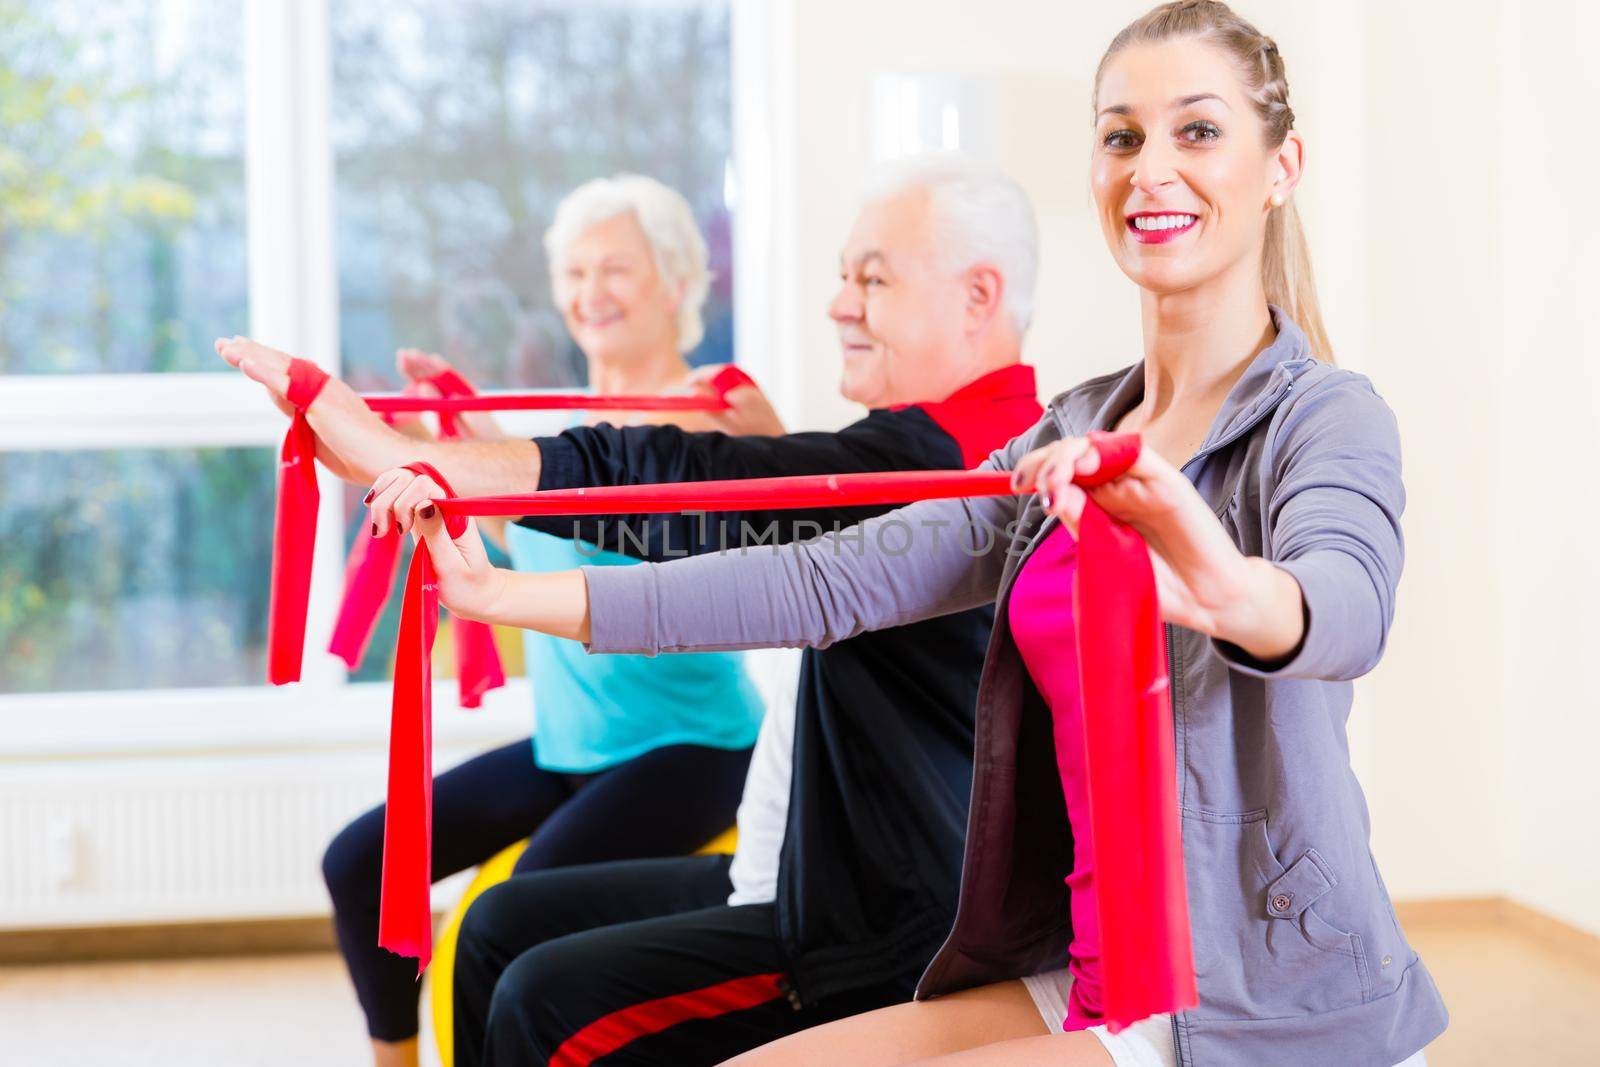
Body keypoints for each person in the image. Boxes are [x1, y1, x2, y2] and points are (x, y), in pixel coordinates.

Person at [367, 3, 1451, 1064]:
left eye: (1198, 130)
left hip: (1260, 995)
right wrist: (501, 596)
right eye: (1121, 135)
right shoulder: (1068, 433)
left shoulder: (1324, 413)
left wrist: (1227, 587)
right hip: (1090, 964)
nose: (1150, 167)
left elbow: (1344, 604)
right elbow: (826, 580)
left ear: (1280, 166)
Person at [221, 153, 1045, 1066]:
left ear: (979, 298)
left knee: (543, 994)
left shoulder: (954, 459)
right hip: (813, 865)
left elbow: (703, 489)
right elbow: (702, 501)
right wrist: (453, 470)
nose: (839, 303)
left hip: (879, 923)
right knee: (493, 926)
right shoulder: (944, 444)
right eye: (843, 276)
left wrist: (432, 466)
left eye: (873, 278)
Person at [308, 175, 770, 1067]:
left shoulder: (709, 411)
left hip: (692, 748)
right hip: (572, 744)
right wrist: (451, 443)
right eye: (576, 270)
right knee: (360, 862)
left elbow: (695, 539)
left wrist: (457, 457)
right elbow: (530, 550)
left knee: (502, 920)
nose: (591, 291)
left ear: (676, 280)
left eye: (618, 268)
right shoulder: (558, 428)